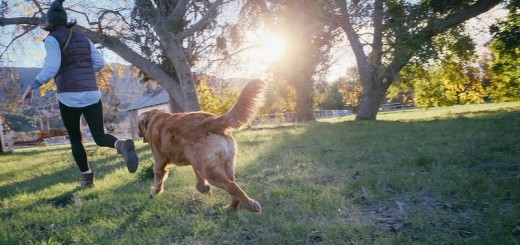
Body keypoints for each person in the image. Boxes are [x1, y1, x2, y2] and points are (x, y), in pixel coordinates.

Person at [21, 0, 138, 188]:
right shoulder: (84, 38)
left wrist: (31, 86)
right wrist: (82, 69)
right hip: (92, 93)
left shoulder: (52, 39)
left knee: (76, 139)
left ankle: (87, 180)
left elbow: (52, 67)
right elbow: (100, 63)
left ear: (50, 22)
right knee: (99, 136)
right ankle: (121, 146)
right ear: (66, 20)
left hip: (69, 96)